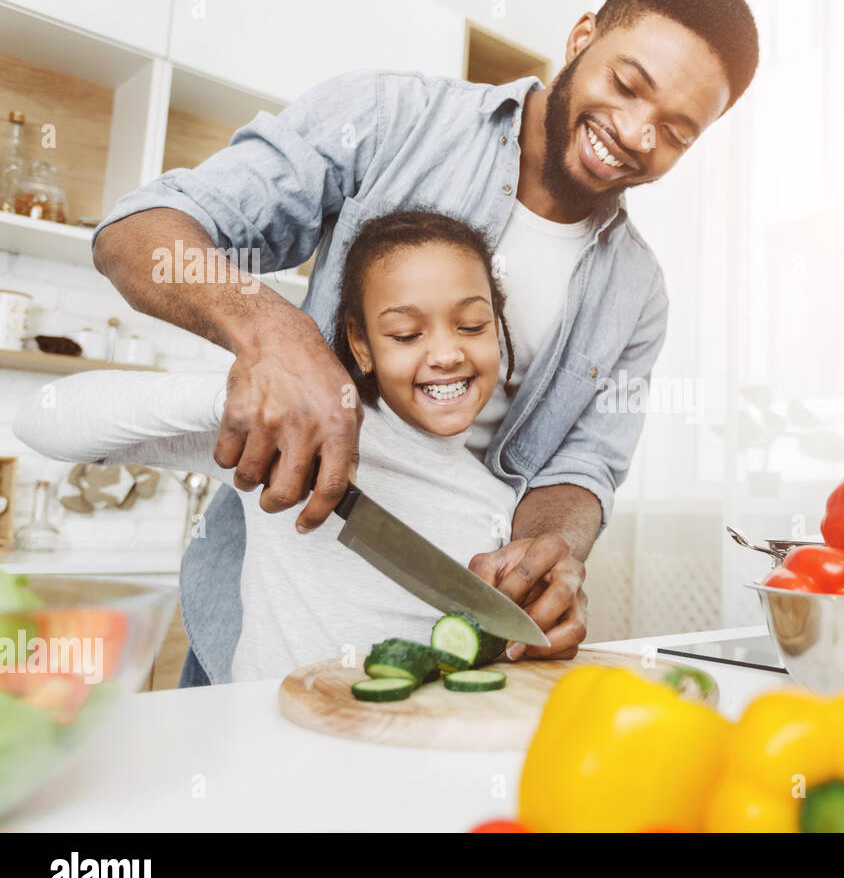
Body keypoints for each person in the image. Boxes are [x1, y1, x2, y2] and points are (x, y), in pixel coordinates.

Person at [89, 0, 759, 685]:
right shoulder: (389, 119)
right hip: (274, 605)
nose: (633, 133)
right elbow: (134, 234)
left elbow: (581, 465)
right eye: (628, 85)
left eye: (675, 132)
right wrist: (273, 333)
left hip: (457, 641)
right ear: (582, 36)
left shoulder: (638, 292)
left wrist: (549, 548)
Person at [17, 211, 520, 681]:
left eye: (472, 326)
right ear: (362, 345)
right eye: (407, 334)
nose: (447, 354)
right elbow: (42, 419)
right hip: (267, 747)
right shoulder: (292, 436)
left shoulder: (499, 503)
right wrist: (239, 401)